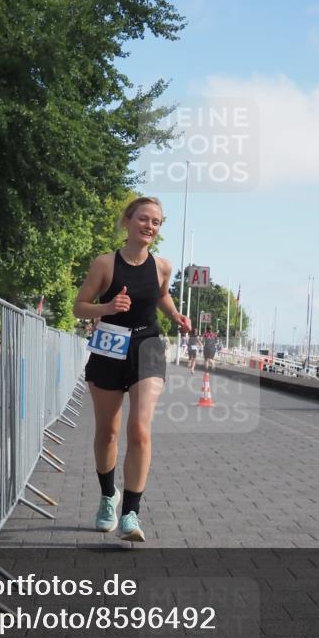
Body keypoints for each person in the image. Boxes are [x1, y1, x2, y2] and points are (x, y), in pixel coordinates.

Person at [73, 196, 191, 542]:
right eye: (143, 219)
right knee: (107, 432)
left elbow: (161, 295)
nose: (149, 226)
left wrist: (175, 316)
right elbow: (79, 307)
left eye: (156, 222)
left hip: (147, 346)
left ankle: (130, 514)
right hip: (110, 344)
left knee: (139, 429)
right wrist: (107, 307)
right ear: (128, 221)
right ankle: (109, 497)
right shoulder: (105, 264)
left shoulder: (162, 267)